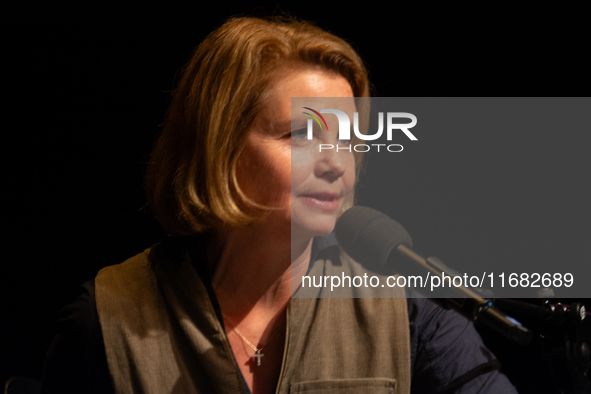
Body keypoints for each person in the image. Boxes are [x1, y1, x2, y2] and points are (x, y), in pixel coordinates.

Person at [41, 15, 518, 394]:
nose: (338, 164)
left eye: (349, 140)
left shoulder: (407, 315)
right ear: (219, 146)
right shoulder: (107, 319)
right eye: (303, 134)